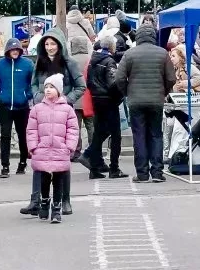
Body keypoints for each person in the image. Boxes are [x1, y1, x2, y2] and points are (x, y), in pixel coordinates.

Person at [24, 28, 86, 216]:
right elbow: (34, 83)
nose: (50, 47)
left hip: (62, 114)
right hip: (42, 112)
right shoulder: (40, 63)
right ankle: (36, 200)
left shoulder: (69, 63)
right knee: (39, 159)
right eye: (47, 44)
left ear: (59, 45)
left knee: (61, 161)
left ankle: (64, 200)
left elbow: (81, 86)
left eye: (53, 44)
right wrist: (37, 96)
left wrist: (67, 99)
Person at [113, 20, 175, 183]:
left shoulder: (130, 54)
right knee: (156, 135)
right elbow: (171, 78)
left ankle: (142, 173)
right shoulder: (162, 53)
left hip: (135, 101)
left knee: (139, 136)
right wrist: (163, 92)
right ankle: (157, 172)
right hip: (156, 100)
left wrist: (127, 92)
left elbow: (119, 77)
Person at [27, 73, 80, 224]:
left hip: (60, 150)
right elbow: (31, 130)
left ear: (59, 90)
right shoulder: (37, 109)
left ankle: (56, 208)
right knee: (43, 178)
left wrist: (69, 146)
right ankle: (44, 201)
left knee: (58, 180)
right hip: (42, 150)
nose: (48, 90)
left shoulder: (67, 110)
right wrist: (33, 147)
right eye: (46, 87)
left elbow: (73, 129)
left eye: (52, 87)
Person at [0, 38, 35, 179]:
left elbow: (34, 83)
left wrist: (28, 95)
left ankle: (22, 162)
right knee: (5, 136)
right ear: (7, 51)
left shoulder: (28, 64)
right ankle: (5, 166)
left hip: (22, 106)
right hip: (5, 106)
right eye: (12, 49)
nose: (14, 52)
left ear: (20, 50)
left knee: (22, 136)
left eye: (17, 49)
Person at [85, 36, 126, 179]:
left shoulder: (92, 60)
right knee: (115, 135)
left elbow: (88, 81)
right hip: (109, 101)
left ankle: (94, 167)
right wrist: (121, 93)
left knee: (99, 132)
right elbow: (113, 84)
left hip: (96, 99)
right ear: (112, 47)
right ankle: (114, 168)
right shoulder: (109, 61)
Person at [69, 34, 95, 149]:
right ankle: (93, 150)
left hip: (75, 98)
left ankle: (76, 151)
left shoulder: (70, 60)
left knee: (76, 127)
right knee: (91, 126)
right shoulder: (91, 59)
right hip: (89, 98)